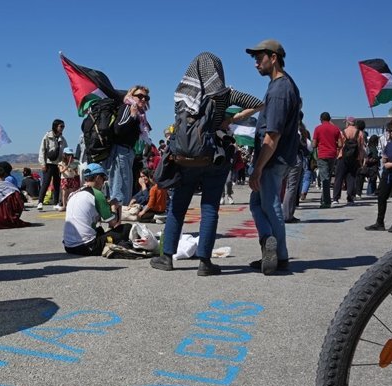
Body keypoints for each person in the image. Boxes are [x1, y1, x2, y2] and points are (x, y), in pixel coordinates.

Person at [151, 52, 263, 276]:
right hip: (214, 157)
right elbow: (259, 104)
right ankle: (205, 262)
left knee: (178, 207)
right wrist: (230, 119)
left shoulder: (182, 94)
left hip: (184, 159)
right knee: (210, 207)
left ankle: (166, 257)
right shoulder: (224, 94)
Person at [244, 39, 301, 275]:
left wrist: (257, 168)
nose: (256, 63)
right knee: (258, 204)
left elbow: (272, 136)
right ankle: (272, 246)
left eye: (260, 57)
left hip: (273, 158)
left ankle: (277, 253)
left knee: (269, 204)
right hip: (279, 158)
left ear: (274, 58)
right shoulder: (282, 85)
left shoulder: (279, 89)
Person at [62, 163, 132, 256]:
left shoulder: (73, 194)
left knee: (99, 230)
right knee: (126, 228)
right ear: (98, 178)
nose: (103, 183)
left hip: (68, 247)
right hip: (87, 247)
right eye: (104, 179)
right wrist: (114, 207)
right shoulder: (97, 194)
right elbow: (114, 223)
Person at [103, 85, 152, 207]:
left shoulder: (140, 114)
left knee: (126, 186)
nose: (143, 99)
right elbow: (118, 129)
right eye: (140, 96)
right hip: (120, 151)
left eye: (146, 97)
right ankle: (117, 218)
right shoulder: (128, 107)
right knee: (120, 188)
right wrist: (132, 116)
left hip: (128, 152)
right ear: (131, 95)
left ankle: (120, 215)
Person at [312, 112, 342, 209]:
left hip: (322, 155)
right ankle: (323, 199)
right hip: (332, 155)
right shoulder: (336, 129)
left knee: (324, 178)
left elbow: (313, 144)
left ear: (321, 119)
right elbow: (341, 144)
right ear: (330, 119)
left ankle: (326, 202)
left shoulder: (318, 128)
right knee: (327, 177)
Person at [333, 116, 363, 206]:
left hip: (343, 157)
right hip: (354, 158)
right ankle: (350, 198)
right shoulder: (360, 133)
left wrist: (337, 155)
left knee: (339, 178)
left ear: (348, 123)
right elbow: (361, 148)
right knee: (351, 178)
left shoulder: (343, 132)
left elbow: (340, 145)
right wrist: (360, 159)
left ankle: (335, 198)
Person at [37, 119, 67, 210]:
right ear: (55, 126)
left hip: (58, 164)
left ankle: (56, 203)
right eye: (61, 126)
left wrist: (64, 163)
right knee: (46, 183)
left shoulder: (62, 139)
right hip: (48, 163)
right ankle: (40, 202)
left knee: (57, 184)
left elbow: (65, 151)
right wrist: (43, 163)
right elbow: (42, 150)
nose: (62, 128)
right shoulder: (47, 136)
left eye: (63, 127)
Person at [55, 147, 80, 211]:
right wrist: (67, 166)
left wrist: (75, 170)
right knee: (64, 193)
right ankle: (64, 205)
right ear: (65, 155)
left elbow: (76, 173)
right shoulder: (61, 163)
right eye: (68, 155)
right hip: (65, 179)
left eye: (71, 155)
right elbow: (61, 171)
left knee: (71, 192)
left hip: (71, 178)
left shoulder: (74, 163)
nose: (70, 156)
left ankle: (71, 205)